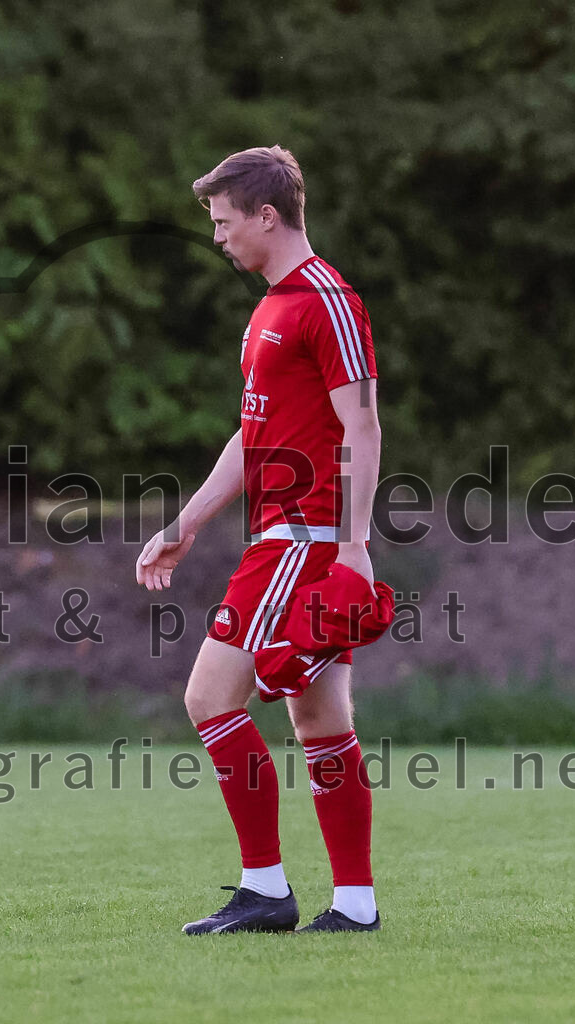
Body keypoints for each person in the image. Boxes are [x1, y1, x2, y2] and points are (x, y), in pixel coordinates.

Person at [135, 145, 383, 934]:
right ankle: (352, 904)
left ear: (266, 216)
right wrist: (186, 522)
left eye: (222, 221)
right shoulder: (270, 307)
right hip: (282, 534)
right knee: (319, 722)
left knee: (210, 698)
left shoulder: (324, 299)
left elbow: (363, 423)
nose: (216, 237)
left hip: (304, 538)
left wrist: (350, 547)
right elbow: (252, 437)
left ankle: (266, 890)